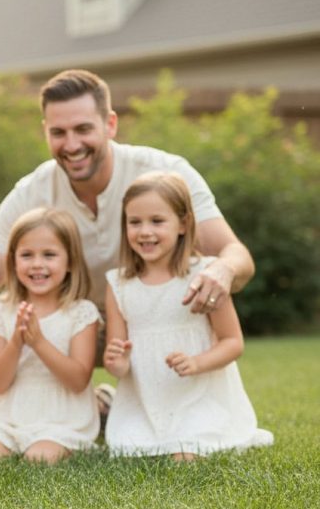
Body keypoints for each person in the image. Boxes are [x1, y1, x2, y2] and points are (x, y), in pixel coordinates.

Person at [0, 69, 255, 375]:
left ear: (110, 124)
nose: (71, 145)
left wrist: (223, 269)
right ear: (45, 131)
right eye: (59, 133)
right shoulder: (30, 192)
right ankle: (53, 412)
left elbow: (235, 254)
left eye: (83, 129)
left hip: (151, 319)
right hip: (71, 324)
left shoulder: (165, 172)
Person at [103, 171, 273, 459]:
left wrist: (197, 362)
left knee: (186, 453)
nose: (145, 231)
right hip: (145, 403)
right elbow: (119, 359)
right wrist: (116, 363)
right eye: (135, 222)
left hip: (199, 398)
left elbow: (233, 342)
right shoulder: (118, 284)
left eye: (157, 221)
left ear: (183, 224)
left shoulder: (206, 274)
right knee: (131, 448)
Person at [0, 208, 101, 464]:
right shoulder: (1, 312)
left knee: (38, 458)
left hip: (62, 417)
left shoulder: (81, 313)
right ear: (13, 261)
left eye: (49, 255)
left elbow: (78, 380)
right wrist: (17, 343)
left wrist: (38, 343)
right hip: (9, 416)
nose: (37, 264)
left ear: (71, 261)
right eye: (27, 255)